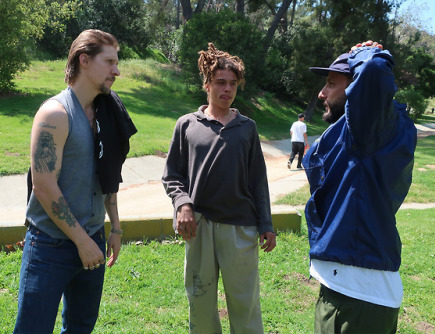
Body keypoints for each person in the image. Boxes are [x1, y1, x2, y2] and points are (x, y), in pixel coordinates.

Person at [14, 29, 136, 333]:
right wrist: (82, 242)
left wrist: (115, 227)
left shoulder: (105, 112)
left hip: (93, 238)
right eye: (109, 61)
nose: (116, 70)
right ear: (84, 60)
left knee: (80, 328)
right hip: (49, 246)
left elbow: (107, 175)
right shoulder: (55, 114)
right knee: (33, 328)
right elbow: (43, 186)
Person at [303, 40, 417, 333]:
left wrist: (364, 54)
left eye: (331, 83)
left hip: (356, 294)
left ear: (356, 89)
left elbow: (376, 70)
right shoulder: (369, 132)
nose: (322, 92)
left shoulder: (366, 132)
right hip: (349, 287)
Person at [162, 43, 276, 333]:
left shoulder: (247, 127)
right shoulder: (187, 125)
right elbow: (172, 174)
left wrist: (266, 223)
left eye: (233, 84)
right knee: (199, 302)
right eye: (220, 83)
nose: (227, 89)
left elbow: (257, 180)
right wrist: (183, 203)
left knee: (244, 303)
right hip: (199, 227)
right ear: (207, 84)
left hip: (241, 227)